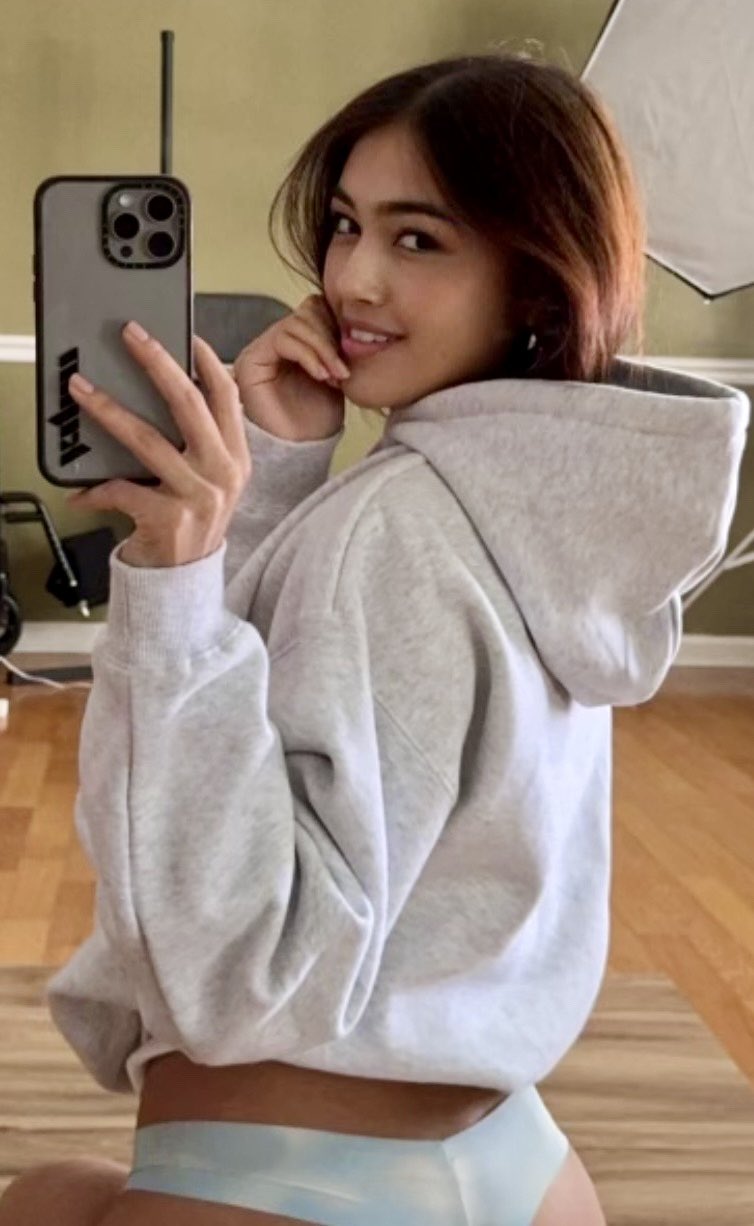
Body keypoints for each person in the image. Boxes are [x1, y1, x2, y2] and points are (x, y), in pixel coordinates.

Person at [2, 49, 749, 1226]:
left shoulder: (398, 529)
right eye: (347, 225)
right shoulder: (549, 513)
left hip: (293, 1175)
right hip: (513, 1156)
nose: (351, 278)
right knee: (49, 1194)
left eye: (418, 239)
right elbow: (350, 799)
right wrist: (270, 479)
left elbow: (236, 961)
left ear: (537, 281)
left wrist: (175, 580)